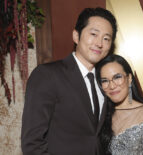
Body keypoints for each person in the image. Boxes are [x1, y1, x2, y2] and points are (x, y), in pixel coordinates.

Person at [21, 7, 117, 155]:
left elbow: (98, 137)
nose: (99, 43)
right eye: (93, 34)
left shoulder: (104, 81)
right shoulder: (47, 75)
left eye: (106, 38)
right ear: (76, 36)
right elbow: (32, 143)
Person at [96, 54, 143, 155]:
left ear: (130, 78)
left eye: (117, 77)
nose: (112, 85)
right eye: (105, 81)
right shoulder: (99, 113)